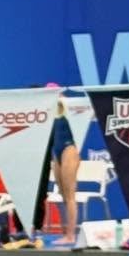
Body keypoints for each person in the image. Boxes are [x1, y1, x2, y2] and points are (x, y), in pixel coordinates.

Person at [47, 86, 79, 245]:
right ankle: (66, 232)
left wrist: (60, 98)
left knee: (70, 194)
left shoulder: (68, 106)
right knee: (62, 194)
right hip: (56, 152)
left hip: (69, 149)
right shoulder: (49, 111)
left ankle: (71, 235)